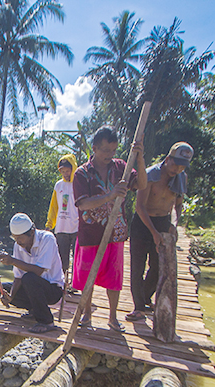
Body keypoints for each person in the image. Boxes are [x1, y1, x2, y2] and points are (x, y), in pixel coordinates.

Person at [72, 126, 147, 332]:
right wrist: (110, 195)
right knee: (88, 276)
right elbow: (83, 204)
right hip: (90, 234)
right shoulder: (82, 174)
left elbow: (141, 184)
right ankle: (87, 314)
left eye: (113, 150)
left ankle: (112, 318)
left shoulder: (121, 167)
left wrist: (139, 159)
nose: (109, 155)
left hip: (115, 234)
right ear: (94, 148)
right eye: (105, 150)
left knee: (114, 278)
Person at [127, 141, 194, 322]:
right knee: (137, 266)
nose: (177, 169)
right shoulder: (149, 175)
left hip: (163, 222)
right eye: (175, 164)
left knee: (158, 266)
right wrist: (154, 233)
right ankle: (138, 307)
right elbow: (140, 207)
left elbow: (177, 205)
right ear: (167, 159)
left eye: (182, 166)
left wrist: (174, 224)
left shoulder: (181, 179)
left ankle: (146, 296)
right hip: (143, 223)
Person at [0, 213, 64, 334]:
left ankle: (47, 321)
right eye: (15, 238)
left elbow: (39, 271)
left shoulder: (47, 239)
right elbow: (18, 277)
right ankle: (34, 310)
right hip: (32, 287)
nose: (18, 242)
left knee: (29, 278)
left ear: (31, 232)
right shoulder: (18, 245)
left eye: (20, 238)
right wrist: (11, 296)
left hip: (53, 290)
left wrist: (13, 261)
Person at [45, 154, 79, 282]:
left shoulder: (79, 184)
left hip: (77, 227)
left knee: (77, 258)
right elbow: (53, 207)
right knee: (61, 258)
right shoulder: (58, 185)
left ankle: (75, 283)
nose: (65, 174)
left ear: (73, 169)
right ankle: (63, 282)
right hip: (61, 228)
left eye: (67, 171)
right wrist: (49, 224)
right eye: (63, 171)